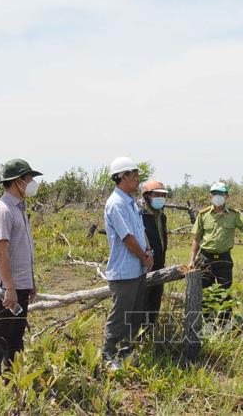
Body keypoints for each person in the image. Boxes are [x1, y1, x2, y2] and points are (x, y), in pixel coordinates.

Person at [0, 158, 42, 385]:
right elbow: (1, 252)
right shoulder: (2, 211)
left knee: (16, 338)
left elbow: (22, 251)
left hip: (20, 285)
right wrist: (10, 287)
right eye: (29, 178)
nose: (32, 183)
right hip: (5, 289)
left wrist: (29, 282)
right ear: (17, 181)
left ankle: (14, 382)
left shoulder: (19, 208)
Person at [188, 181, 243, 325]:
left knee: (224, 294)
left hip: (224, 259)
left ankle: (224, 327)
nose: (217, 197)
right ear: (210, 196)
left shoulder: (234, 215)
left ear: (227, 196)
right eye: (214, 194)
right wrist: (192, 260)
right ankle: (207, 325)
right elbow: (196, 239)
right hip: (204, 258)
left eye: (220, 194)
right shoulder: (203, 215)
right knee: (206, 294)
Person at [102, 157, 154, 370]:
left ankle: (126, 353)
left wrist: (148, 252)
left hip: (137, 270)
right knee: (120, 316)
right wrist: (143, 256)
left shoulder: (130, 202)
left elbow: (140, 233)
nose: (136, 178)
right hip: (124, 272)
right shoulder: (116, 203)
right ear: (121, 177)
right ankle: (108, 355)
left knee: (134, 314)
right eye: (133, 174)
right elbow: (127, 237)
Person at [139, 180, 169, 329]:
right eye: (156, 194)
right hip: (144, 266)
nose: (160, 198)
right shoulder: (140, 215)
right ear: (146, 197)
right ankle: (140, 336)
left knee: (155, 300)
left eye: (163, 195)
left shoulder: (162, 216)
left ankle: (151, 331)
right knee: (143, 302)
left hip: (159, 265)